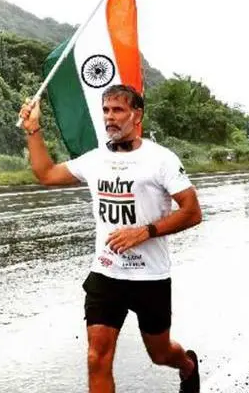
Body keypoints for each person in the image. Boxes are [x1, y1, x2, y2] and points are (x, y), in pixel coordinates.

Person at [18, 84, 203, 393]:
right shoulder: (95, 159)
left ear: (137, 114)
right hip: (107, 273)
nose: (110, 117)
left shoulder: (161, 159)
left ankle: (187, 366)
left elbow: (192, 211)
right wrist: (33, 129)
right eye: (106, 110)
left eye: (118, 110)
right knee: (96, 358)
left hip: (150, 276)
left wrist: (145, 231)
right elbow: (46, 174)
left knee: (160, 354)